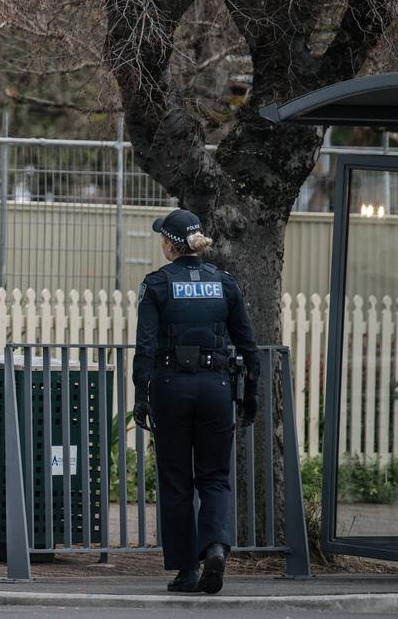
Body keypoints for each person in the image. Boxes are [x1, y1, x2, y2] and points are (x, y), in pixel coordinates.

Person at [132, 208, 260, 595]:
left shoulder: (156, 285)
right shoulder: (224, 283)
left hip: (172, 386)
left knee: (176, 482)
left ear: (171, 245)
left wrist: (142, 395)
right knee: (215, 477)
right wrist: (250, 395)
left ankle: (187, 570)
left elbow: (146, 347)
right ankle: (217, 548)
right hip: (217, 388)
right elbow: (248, 344)